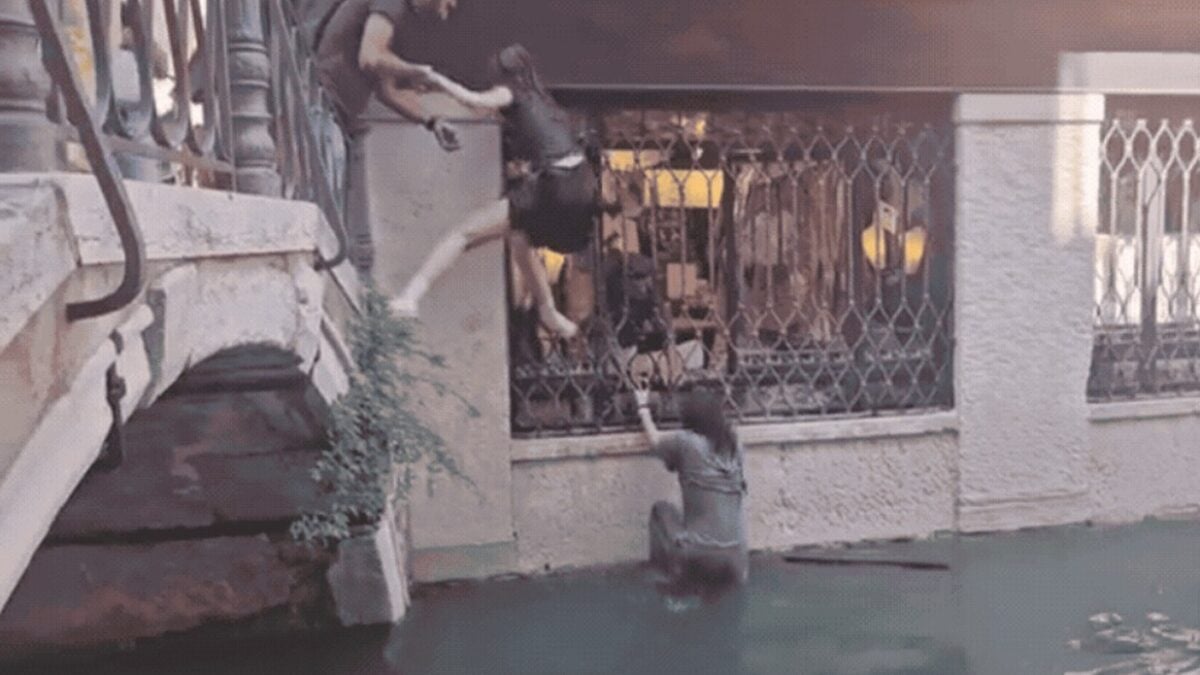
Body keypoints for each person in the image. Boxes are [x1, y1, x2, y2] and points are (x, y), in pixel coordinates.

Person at [389, 44, 600, 338]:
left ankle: (409, 297)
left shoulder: (509, 92)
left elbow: (473, 100)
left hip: (555, 183)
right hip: (581, 185)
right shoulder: (542, 99)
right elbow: (486, 112)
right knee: (520, 238)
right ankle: (548, 311)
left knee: (463, 233)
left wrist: (437, 79)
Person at [300, 0, 465, 268]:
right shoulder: (392, 3)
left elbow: (388, 90)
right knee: (323, 223)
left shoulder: (394, 15)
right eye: (449, 2)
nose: (449, 9)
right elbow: (371, 57)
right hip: (323, 108)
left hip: (341, 120)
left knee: (340, 228)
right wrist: (419, 71)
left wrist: (433, 121)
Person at [633, 386, 749, 588]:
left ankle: (670, 578)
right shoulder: (734, 445)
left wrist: (643, 408)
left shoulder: (686, 443)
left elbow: (655, 441)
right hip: (737, 562)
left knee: (661, 511)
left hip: (699, 557)